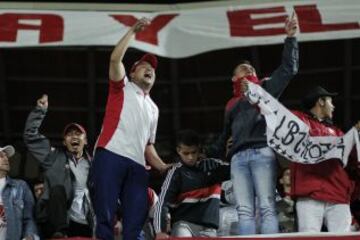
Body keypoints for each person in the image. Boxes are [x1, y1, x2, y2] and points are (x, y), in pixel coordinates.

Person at [206, 14, 299, 234]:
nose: (249, 69)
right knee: (244, 209)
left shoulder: (265, 88)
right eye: (243, 68)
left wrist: (291, 38)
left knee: (267, 206)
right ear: (233, 78)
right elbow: (223, 136)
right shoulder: (230, 104)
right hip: (237, 158)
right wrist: (207, 157)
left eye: (252, 68)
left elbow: (288, 70)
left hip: (262, 152)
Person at [91, 17, 169, 240]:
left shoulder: (154, 108)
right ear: (132, 73)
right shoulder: (122, 87)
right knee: (105, 217)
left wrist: (163, 167)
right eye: (144, 67)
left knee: (134, 223)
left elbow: (148, 146)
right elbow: (115, 58)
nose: (150, 70)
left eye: (153, 69)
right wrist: (133, 31)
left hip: (137, 166)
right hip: (110, 155)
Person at [289, 86, 360, 232]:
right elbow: (273, 112)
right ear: (321, 101)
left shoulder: (339, 133)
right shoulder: (299, 121)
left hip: (338, 195)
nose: (333, 107)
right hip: (310, 194)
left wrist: (356, 136)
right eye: (331, 102)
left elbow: (352, 163)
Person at [24, 94, 93, 238]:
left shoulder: (95, 165)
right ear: (64, 142)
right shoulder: (54, 158)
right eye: (69, 135)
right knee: (57, 190)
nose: (74, 136)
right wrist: (39, 111)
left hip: (88, 222)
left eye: (78, 134)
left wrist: (116, 217)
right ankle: (60, 233)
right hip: (58, 223)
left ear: (85, 141)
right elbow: (30, 136)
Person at [154, 129, 230, 239]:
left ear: (199, 149)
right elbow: (162, 203)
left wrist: (231, 152)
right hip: (183, 226)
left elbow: (238, 170)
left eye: (193, 152)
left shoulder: (214, 166)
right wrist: (160, 231)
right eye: (186, 153)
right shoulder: (176, 172)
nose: (190, 157)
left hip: (209, 229)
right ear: (178, 150)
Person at [0, 145, 39, 240]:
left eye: (6, 156)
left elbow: (29, 218)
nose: (6, 159)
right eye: (1, 156)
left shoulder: (20, 186)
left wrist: (29, 236)